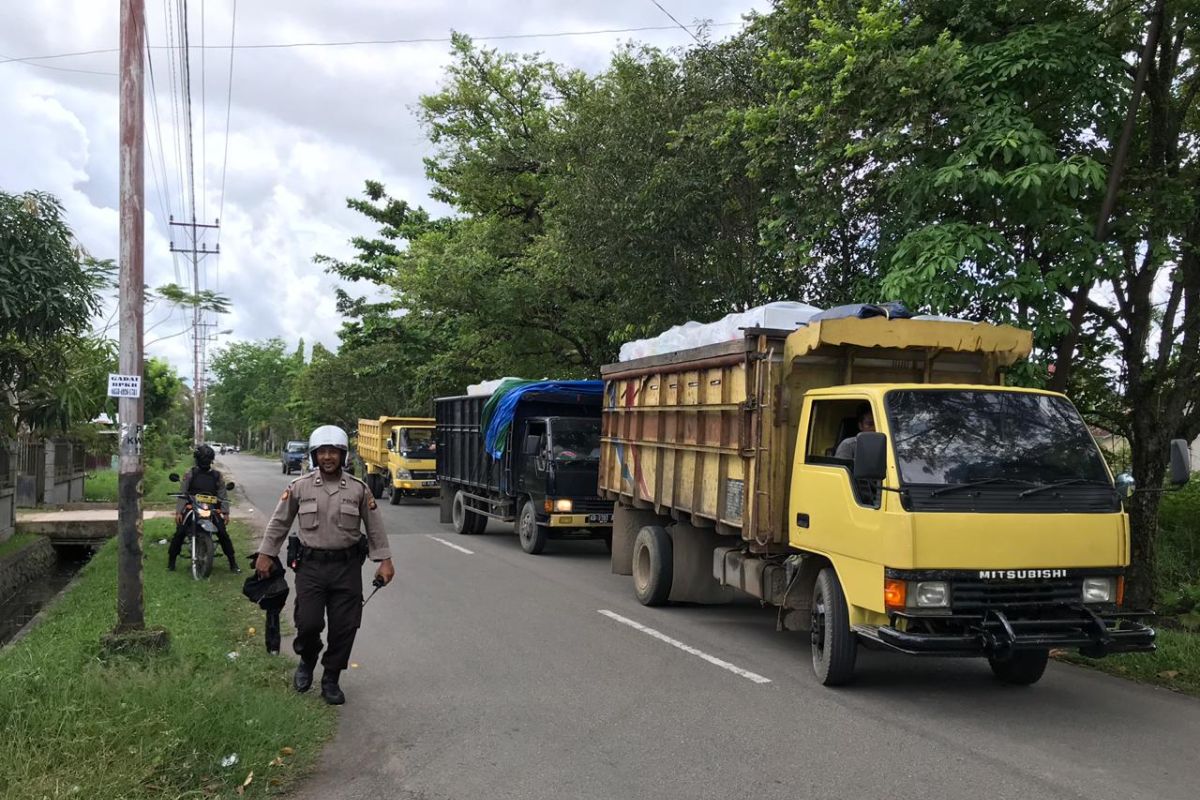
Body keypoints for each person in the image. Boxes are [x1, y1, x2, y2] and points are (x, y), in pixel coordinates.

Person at [255, 425, 395, 705]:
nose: (328, 457)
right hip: (311, 568)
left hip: (346, 569)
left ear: (343, 456)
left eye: (334, 452)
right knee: (308, 623)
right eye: (322, 452)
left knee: (345, 627)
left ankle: (331, 677)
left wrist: (385, 561)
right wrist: (266, 553)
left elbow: (375, 527)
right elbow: (280, 522)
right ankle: (307, 660)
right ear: (314, 455)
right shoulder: (300, 487)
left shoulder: (358, 489)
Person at [170, 444, 240, 573]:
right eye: (203, 459)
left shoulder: (217, 476)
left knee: (223, 533)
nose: (205, 461)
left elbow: (222, 494)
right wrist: (179, 511)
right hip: (192, 506)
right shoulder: (190, 473)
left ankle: (233, 563)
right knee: (180, 532)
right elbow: (183, 492)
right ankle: (171, 561)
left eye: (207, 459)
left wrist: (225, 512)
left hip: (211, 509)